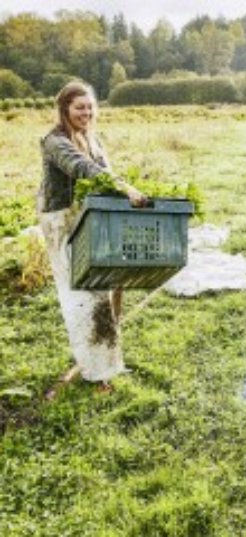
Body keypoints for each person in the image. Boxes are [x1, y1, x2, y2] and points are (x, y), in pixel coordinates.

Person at [37, 80, 147, 399]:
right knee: (82, 295)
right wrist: (124, 188)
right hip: (62, 220)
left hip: (89, 216)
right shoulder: (53, 141)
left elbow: (104, 170)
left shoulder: (92, 139)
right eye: (79, 107)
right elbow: (80, 167)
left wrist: (125, 196)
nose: (86, 113)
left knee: (105, 284)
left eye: (89, 107)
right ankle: (96, 370)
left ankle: (106, 361)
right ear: (64, 110)